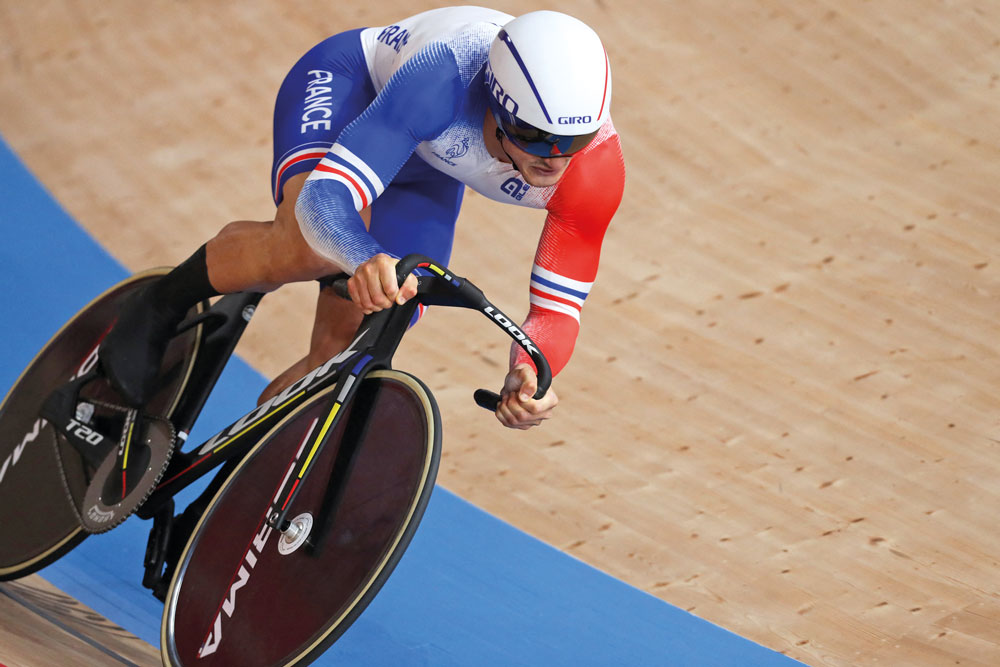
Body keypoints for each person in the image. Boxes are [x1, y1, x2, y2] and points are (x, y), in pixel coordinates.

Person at [100, 6, 625, 431]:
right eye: (534, 137)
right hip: (353, 91)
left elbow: (559, 311)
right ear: (496, 102)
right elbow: (323, 202)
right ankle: (158, 305)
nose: (553, 161)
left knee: (358, 342)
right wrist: (360, 256)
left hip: (424, 164)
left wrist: (528, 371)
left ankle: (243, 471)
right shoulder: (444, 78)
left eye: (571, 145)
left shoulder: (593, 172)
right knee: (310, 248)